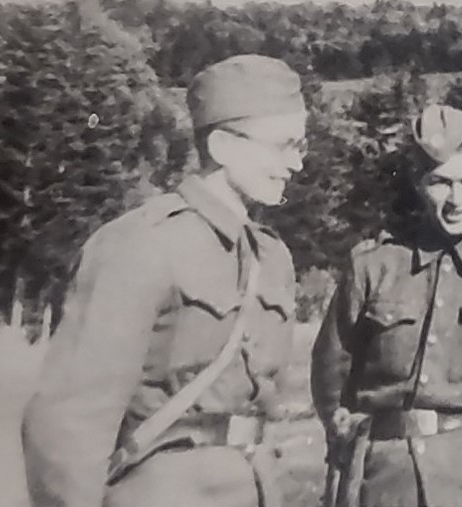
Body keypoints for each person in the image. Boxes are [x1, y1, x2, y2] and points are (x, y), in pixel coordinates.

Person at [22, 54, 308, 507]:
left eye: (301, 147)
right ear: (223, 146)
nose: (296, 164)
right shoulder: (140, 244)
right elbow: (70, 422)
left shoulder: (270, 257)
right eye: (283, 145)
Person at [310, 104, 462, 507]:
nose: (456, 199)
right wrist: (351, 446)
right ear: (419, 183)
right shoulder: (376, 265)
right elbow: (332, 372)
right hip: (383, 477)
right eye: (440, 182)